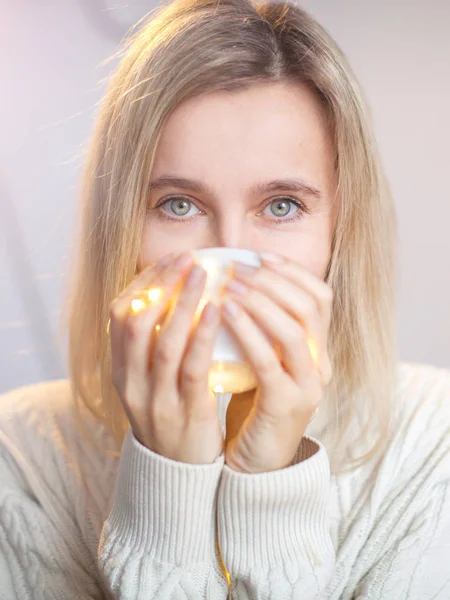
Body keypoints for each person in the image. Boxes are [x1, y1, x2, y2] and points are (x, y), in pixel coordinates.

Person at [1, 0, 449, 597]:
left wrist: (270, 479)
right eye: (179, 205)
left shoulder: (433, 439)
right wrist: (170, 477)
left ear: (340, 230)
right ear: (121, 228)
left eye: (282, 206)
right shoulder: (23, 457)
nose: (229, 259)